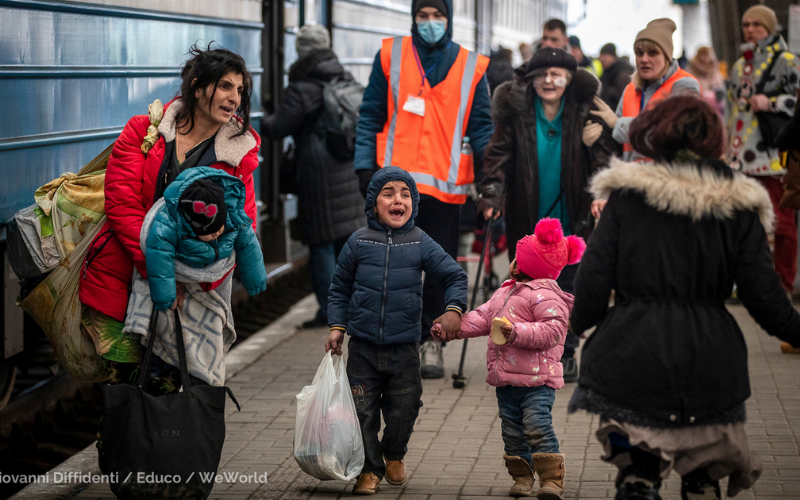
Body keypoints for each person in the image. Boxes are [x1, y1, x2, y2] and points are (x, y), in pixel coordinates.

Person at [568, 94, 800, 500]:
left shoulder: (627, 196)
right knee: (703, 480)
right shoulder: (740, 204)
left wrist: (578, 326)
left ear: (655, 135)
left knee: (637, 476)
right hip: (712, 361)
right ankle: (700, 486)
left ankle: (640, 481)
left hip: (630, 354)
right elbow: (763, 295)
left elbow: (592, 277)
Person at [78, 44, 261, 391]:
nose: (234, 97)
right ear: (196, 86)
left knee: (168, 393)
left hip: (192, 293)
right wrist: (159, 272)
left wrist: (190, 276)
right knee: (124, 387)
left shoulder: (239, 155)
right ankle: (118, 446)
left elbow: (240, 226)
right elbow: (122, 203)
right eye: (225, 86)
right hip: (126, 275)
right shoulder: (142, 131)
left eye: (240, 90)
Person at [354, 0, 493, 378]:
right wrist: (365, 167)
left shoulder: (470, 66)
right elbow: (370, 115)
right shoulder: (391, 56)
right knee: (388, 269)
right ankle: (394, 344)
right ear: (413, 18)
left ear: (449, 20)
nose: (430, 23)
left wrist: (490, 185)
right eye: (423, 15)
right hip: (394, 189)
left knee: (438, 268)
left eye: (438, 16)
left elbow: (482, 129)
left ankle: (431, 342)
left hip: (444, 189)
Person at [479, 47, 620, 383]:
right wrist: (493, 193)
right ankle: (526, 355)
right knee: (526, 292)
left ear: (569, 79)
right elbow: (498, 154)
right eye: (542, 74)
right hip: (527, 221)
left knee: (569, 291)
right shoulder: (517, 110)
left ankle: (566, 353)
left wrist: (601, 191)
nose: (549, 80)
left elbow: (604, 157)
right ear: (531, 79)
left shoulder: (585, 109)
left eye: (557, 74)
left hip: (572, 221)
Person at [325, 166, 468, 494]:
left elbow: (454, 276)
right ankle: (369, 469)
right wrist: (337, 327)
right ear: (373, 204)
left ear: (414, 204)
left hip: (405, 348)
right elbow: (339, 288)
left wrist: (453, 310)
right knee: (361, 412)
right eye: (388, 193)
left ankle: (395, 453)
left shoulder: (420, 242)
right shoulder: (357, 242)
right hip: (361, 349)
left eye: (405, 194)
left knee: (406, 408)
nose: (397, 200)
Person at [436, 219, 584, 499]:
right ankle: (522, 477)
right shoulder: (505, 290)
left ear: (536, 268)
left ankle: (552, 480)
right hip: (506, 380)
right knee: (512, 432)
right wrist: (453, 328)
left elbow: (552, 332)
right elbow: (482, 317)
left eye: (520, 261)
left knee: (537, 426)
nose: (513, 265)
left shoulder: (547, 296)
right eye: (515, 260)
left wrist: (515, 332)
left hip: (538, 381)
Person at [262, 25, 365, 329]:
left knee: (321, 245)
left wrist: (254, 118)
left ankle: (331, 314)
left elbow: (278, 127)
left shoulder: (302, 87)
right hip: (346, 168)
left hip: (318, 172)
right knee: (346, 243)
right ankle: (355, 308)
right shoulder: (343, 76)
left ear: (301, 51)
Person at [726, 5, 800, 299]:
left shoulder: (788, 61)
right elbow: (732, 111)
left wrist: (771, 103)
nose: (750, 29)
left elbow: (798, 102)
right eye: (746, 24)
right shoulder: (738, 65)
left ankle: (783, 283)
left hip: (773, 155)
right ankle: (748, 283)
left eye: (757, 24)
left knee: (781, 222)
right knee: (742, 224)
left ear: (771, 28)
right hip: (739, 156)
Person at [145, 168, 267, 312]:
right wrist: (164, 298)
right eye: (208, 232)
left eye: (219, 228)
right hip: (185, 262)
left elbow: (248, 245)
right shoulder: (169, 224)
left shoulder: (233, 215)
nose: (216, 234)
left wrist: (255, 281)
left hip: (216, 267)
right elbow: (159, 256)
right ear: (190, 226)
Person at [589, 18, 700, 161]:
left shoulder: (685, 84)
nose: (644, 59)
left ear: (667, 56)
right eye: (639, 53)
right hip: (630, 177)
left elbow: (673, 132)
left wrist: (617, 124)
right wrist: (594, 137)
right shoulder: (631, 88)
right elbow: (615, 136)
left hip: (667, 178)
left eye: (652, 53)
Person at [688, 46, 725, 117]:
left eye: (707, 54)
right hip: (698, 112)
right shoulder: (691, 74)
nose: (706, 57)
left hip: (716, 113)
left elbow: (722, 93)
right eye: (703, 54)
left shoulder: (716, 73)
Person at [597, 43, 633, 110]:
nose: (601, 59)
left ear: (612, 56)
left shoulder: (623, 73)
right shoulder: (606, 72)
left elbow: (624, 99)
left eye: (604, 56)